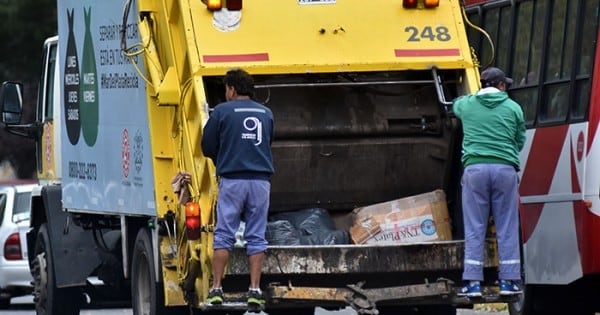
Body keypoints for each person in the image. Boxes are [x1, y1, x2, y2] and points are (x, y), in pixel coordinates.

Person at [201, 68, 275, 309]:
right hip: (260, 182)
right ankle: (254, 290)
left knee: (224, 235)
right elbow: (267, 142)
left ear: (231, 89)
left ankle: (216, 289)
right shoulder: (266, 113)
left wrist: (224, 156)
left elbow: (207, 145)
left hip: (233, 180)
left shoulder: (222, 111)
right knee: (256, 236)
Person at [452, 67, 526, 297]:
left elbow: (455, 106)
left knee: (475, 227)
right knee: (507, 226)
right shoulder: (513, 108)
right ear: (501, 86)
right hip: (504, 170)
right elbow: (520, 139)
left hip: (475, 171)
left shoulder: (468, 105)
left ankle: (473, 284)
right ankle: (509, 281)